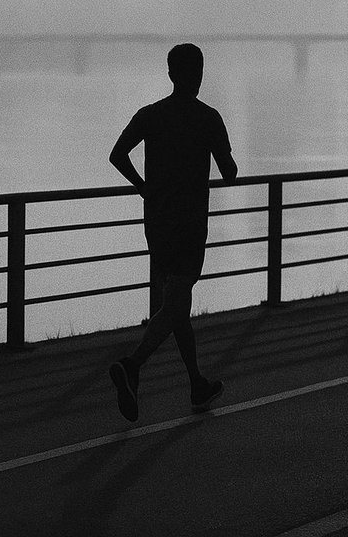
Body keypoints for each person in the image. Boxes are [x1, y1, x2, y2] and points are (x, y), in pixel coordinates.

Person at [107, 43, 237, 422]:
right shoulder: (208, 118)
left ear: (170, 74)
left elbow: (117, 155)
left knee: (176, 302)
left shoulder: (150, 115)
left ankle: (196, 383)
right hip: (191, 224)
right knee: (178, 301)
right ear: (198, 74)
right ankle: (132, 366)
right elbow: (229, 172)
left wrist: (144, 186)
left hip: (157, 223)